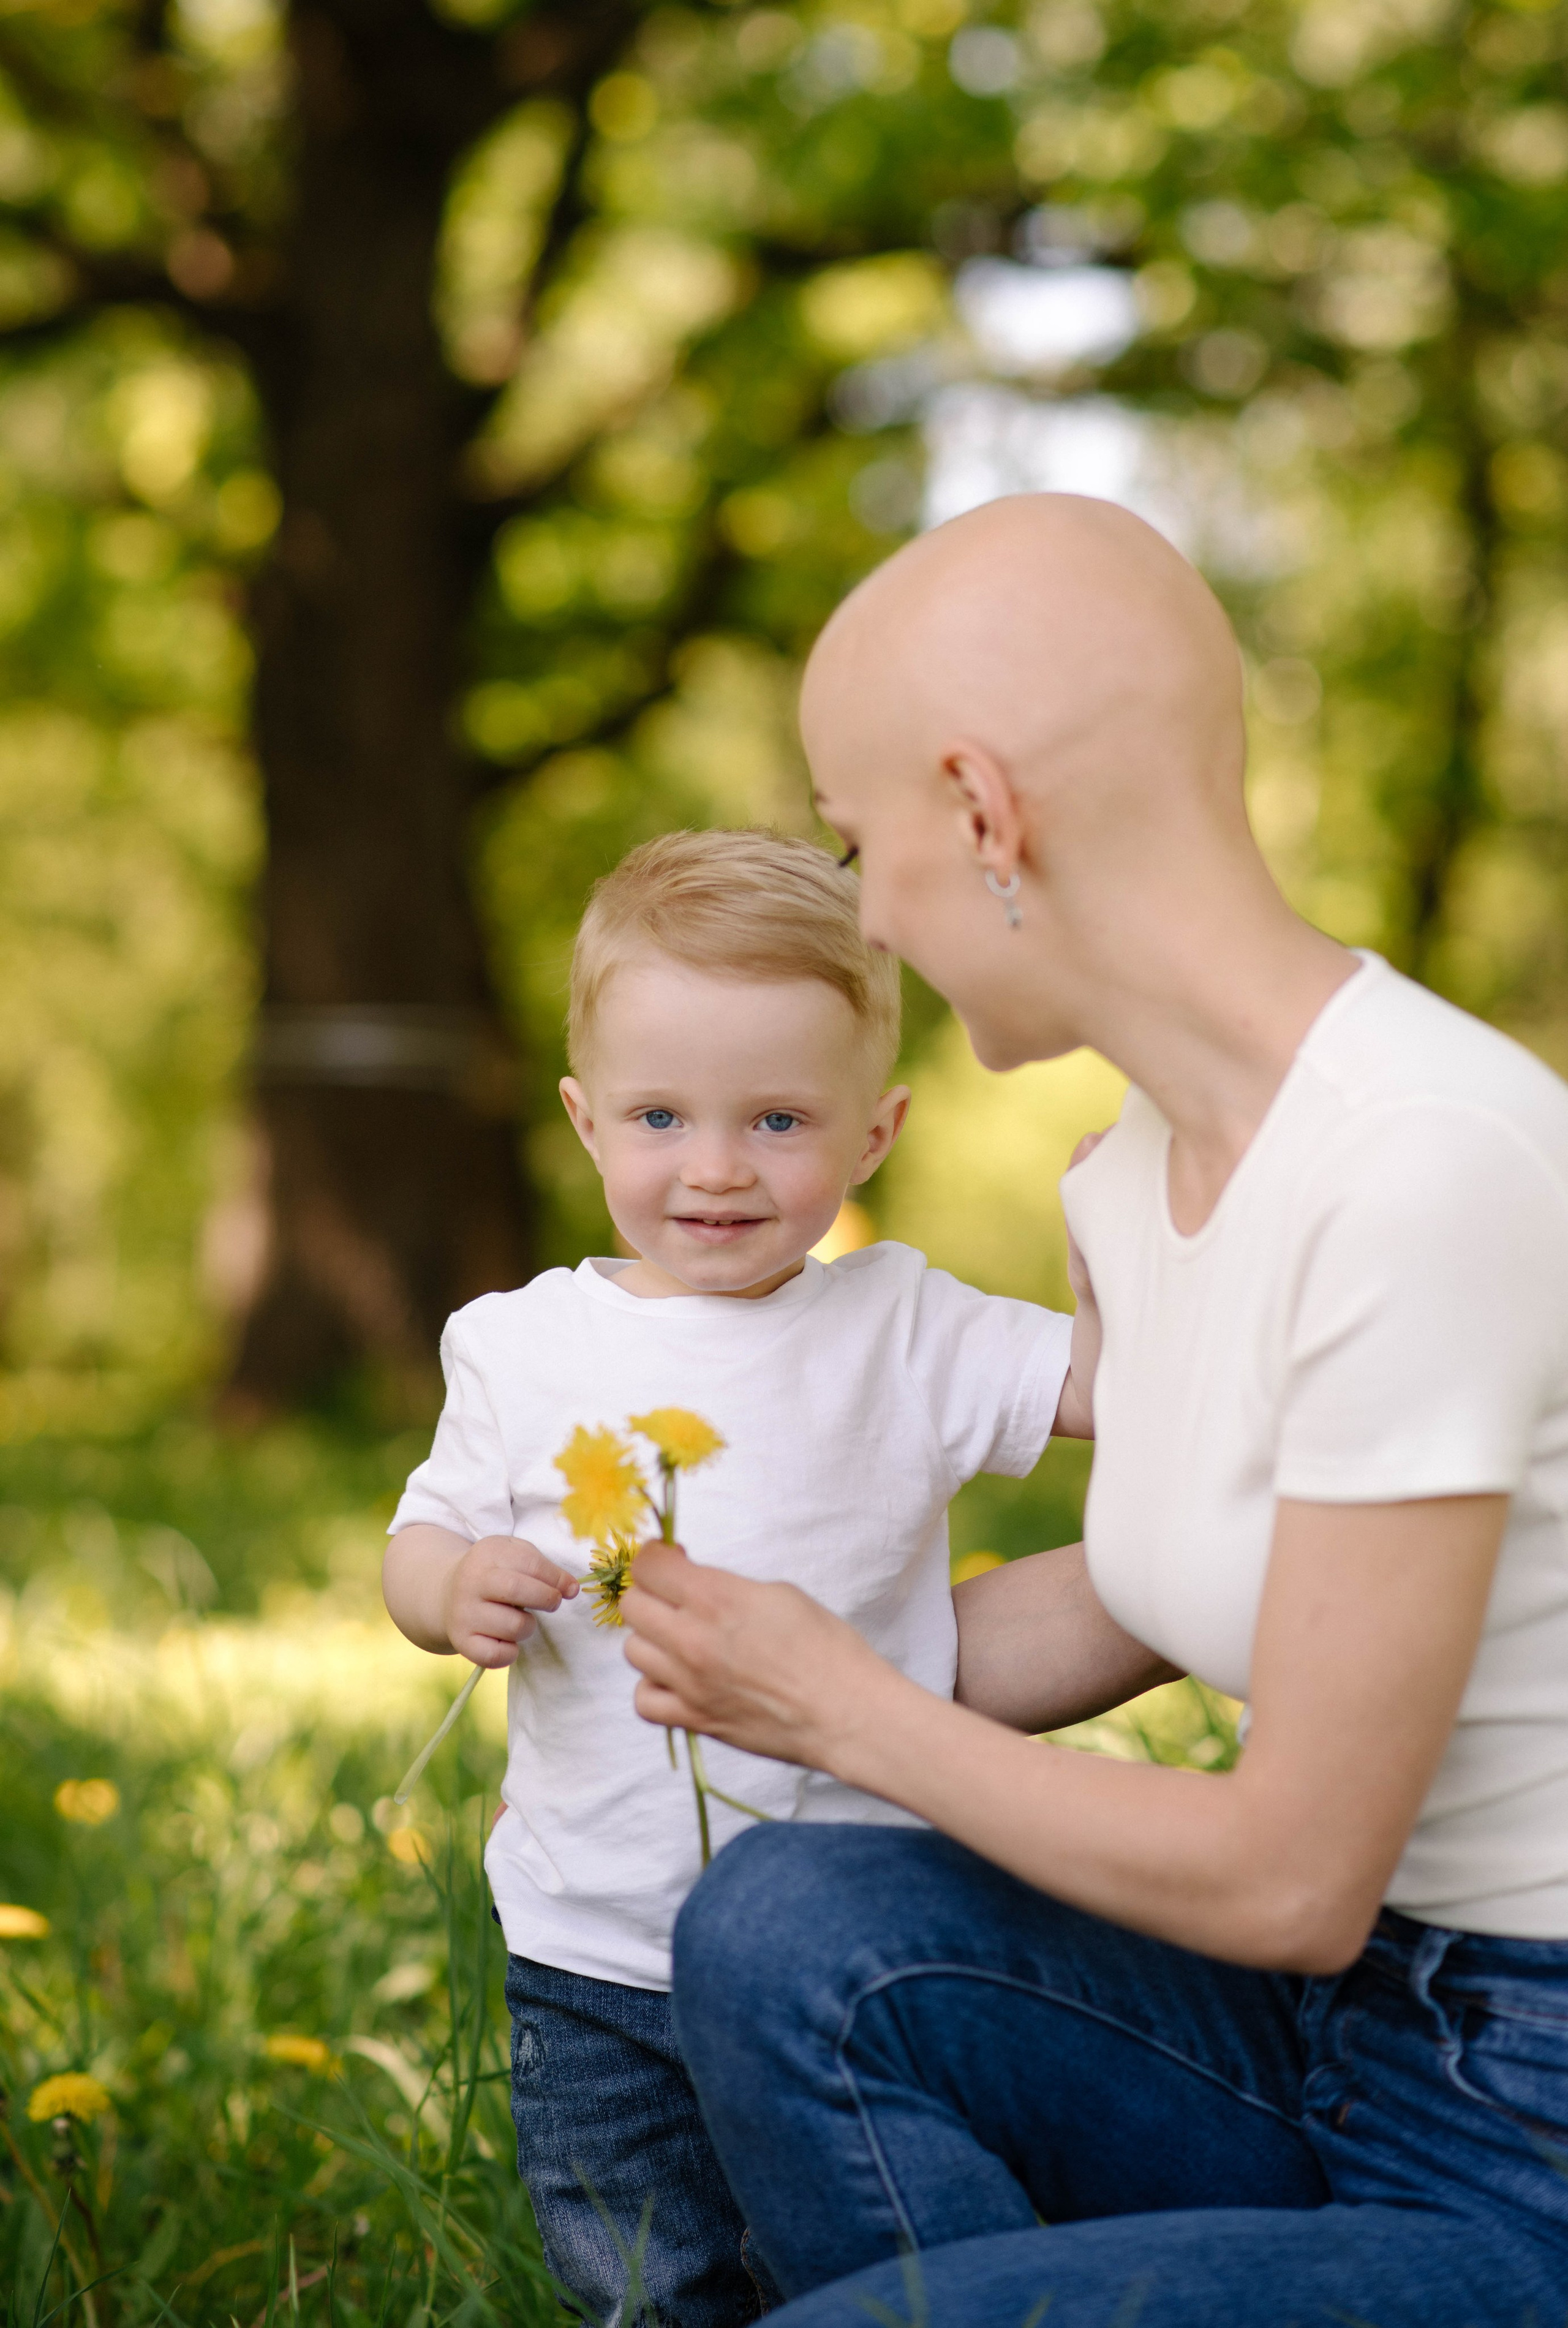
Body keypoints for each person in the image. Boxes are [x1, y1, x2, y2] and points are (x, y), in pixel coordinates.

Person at [618, 494, 1568, 2328]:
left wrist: (844, 1704)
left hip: (1526, 2128)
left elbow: (1294, 1872)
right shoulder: (1131, 1177)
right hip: (1327, 2042)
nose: (866, 905)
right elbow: (1159, 1590)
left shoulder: (1427, 1166)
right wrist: (708, 1633)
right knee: (776, 1933)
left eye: (854, 838)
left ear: (983, 815)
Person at [381, 828, 1093, 2328]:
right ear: (582, 1120)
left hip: (852, 1940)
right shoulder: (516, 1342)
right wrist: (454, 1590)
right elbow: (416, 1539)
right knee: (645, 2278)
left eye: (776, 1117)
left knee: (861, 2267)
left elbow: (1120, 1386)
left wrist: (1135, 1254)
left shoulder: (908, 1325)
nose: (713, 1167)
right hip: (590, 1950)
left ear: (874, 1132)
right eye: (659, 1114)